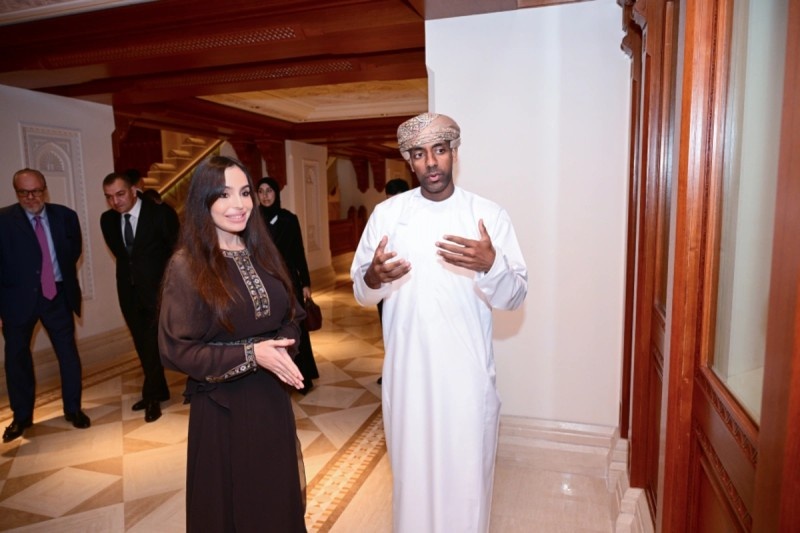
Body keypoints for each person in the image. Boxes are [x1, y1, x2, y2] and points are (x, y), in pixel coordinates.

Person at [350, 113, 528, 532]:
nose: (430, 162)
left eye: (439, 150)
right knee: (412, 482)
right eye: (419, 153)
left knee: (467, 484)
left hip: (466, 378)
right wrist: (373, 277)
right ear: (409, 161)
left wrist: (491, 265)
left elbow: (515, 296)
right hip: (408, 376)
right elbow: (361, 291)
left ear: (454, 153)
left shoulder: (486, 215)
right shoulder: (388, 215)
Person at [159, 156, 308, 532]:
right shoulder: (187, 266)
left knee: (275, 501)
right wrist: (252, 353)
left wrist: (280, 347)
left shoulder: (263, 252)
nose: (238, 204)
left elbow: (293, 314)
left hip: (271, 400)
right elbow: (177, 349)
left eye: (244, 193)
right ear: (203, 201)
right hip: (223, 409)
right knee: (233, 508)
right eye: (224, 195)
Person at [0, 168, 90, 442]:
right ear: (16, 192)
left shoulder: (65, 216)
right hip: (16, 302)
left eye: (36, 191)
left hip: (56, 296)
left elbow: (73, 252)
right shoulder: (3, 220)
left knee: (68, 354)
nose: (31, 197)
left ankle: (73, 409)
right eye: (24, 192)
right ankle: (21, 417)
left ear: (45, 189)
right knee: (17, 359)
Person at [100, 172, 178, 422]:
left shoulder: (160, 214)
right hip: (128, 291)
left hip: (160, 290)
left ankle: (152, 396)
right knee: (141, 342)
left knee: (153, 342)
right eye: (109, 197)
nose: (115, 202)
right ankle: (159, 389)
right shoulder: (107, 220)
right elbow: (124, 257)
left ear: (134, 190)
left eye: (120, 194)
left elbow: (176, 250)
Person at [256, 176, 319, 394]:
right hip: (263, 281)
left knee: (295, 327)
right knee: (269, 329)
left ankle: (302, 375)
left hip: (289, 281)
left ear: (276, 193)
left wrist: (305, 283)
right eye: (261, 191)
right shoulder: (253, 221)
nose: (265, 196)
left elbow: (299, 252)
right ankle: (274, 379)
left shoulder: (289, 219)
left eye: (269, 191)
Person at [376, 178, 410, 385]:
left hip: (408, 284)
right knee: (388, 327)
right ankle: (391, 370)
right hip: (386, 283)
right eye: (389, 199)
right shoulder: (381, 217)